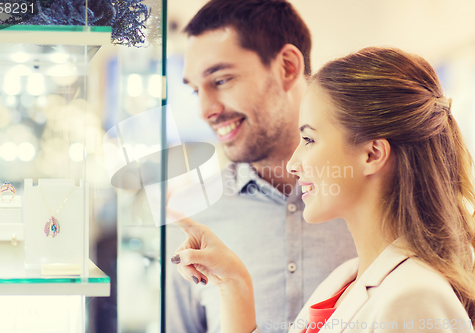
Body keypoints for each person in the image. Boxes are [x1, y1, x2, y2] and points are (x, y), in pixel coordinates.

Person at [168, 46, 475, 333]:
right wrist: (234, 285)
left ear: (372, 154)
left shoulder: (414, 298)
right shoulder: (343, 280)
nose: (293, 163)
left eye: (310, 140)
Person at [166, 1, 357, 332]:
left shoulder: (374, 195)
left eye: (221, 80)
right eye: (197, 90)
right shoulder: (192, 217)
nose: (205, 109)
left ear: (286, 67)